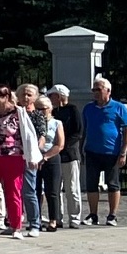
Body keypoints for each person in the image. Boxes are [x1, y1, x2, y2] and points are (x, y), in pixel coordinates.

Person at [0, 84, 42, 238]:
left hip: (13, 157)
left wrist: (32, 157)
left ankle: (16, 226)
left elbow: (29, 135)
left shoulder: (18, 112)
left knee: (13, 191)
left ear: (6, 97)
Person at [82, 77, 127, 226]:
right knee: (91, 184)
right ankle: (93, 214)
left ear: (108, 91)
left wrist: (123, 151)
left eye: (99, 89)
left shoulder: (119, 107)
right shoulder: (88, 108)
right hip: (92, 151)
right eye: (94, 89)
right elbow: (85, 129)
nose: (95, 92)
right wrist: (81, 149)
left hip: (112, 152)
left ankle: (112, 215)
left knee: (113, 184)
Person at [49, 84, 83, 229]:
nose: (50, 98)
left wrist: (64, 145)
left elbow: (78, 132)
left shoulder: (72, 110)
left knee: (72, 187)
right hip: (55, 154)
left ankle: (75, 218)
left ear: (59, 96)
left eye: (52, 96)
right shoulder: (52, 112)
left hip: (69, 154)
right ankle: (58, 217)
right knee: (56, 188)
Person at [33, 95, 65, 233]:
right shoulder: (32, 122)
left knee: (52, 191)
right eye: (37, 109)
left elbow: (60, 144)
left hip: (51, 157)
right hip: (35, 158)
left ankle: (53, 220)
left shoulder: (57, 123)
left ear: (50, 109)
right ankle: (36, 219)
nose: (40, 112)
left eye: (43, 109)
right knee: (35, 190)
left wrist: (46, 156)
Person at [17, 84, 44, 235]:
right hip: (14, 156)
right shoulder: (15, 112)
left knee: (29, 191)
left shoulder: (37, 115)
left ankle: (34, 223)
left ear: (35, 97)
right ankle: (15, 222)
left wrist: (35, 154)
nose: (26, 98)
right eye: (23, 95)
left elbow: (41, 137)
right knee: (14, 191)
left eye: (29, 95)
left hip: (30, 157)